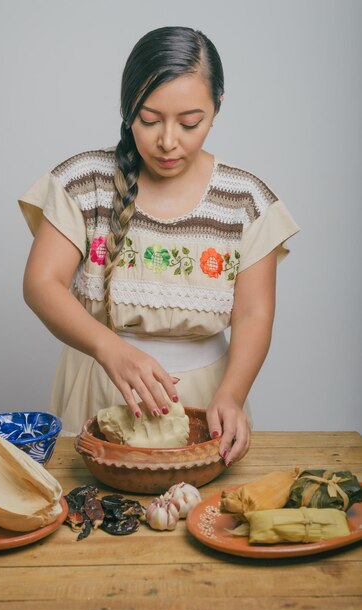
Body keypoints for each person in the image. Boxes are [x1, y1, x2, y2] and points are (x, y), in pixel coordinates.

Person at [18, 26, 299, 466]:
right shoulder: (83, 181)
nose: (168, 141)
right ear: (127, 108)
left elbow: (254, 313)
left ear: (217, 108)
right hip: (100, 386)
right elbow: (41, 283)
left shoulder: (245, 200)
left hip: (207, 396)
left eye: (190, 123)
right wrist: (110, 349)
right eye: (149, 119)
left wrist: (232, 393)